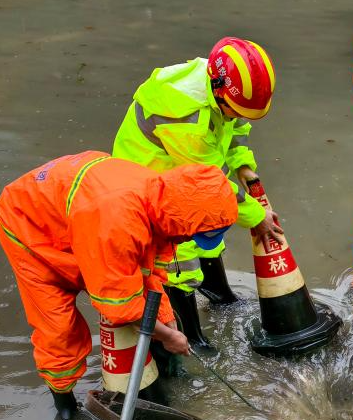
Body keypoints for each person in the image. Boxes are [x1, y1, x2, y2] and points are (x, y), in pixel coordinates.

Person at [0, 151, 238, 420]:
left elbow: (149, 274)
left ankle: (162, 372)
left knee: (132, 289)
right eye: (191, 235)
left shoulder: (164, 199)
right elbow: (120, 306)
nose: (187, 241)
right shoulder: (119, 223)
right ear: (182, 221)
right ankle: (65, 405)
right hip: (30, 225)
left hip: (82, 213)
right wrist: (169, 337)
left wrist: (167, 321)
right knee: (58, 327)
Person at [113, 37, 281, 347]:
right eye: (236, 110)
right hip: (151, 181)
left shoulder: (221, 82)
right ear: (219, 93)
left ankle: (218, 293)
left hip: (187, 170)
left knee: (211, 229)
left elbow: (236, 126)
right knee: (181, 253)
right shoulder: (187, 120)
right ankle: (191, 335)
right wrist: (258, 216)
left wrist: (244, 165)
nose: (239, 116)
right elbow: (214, 185)